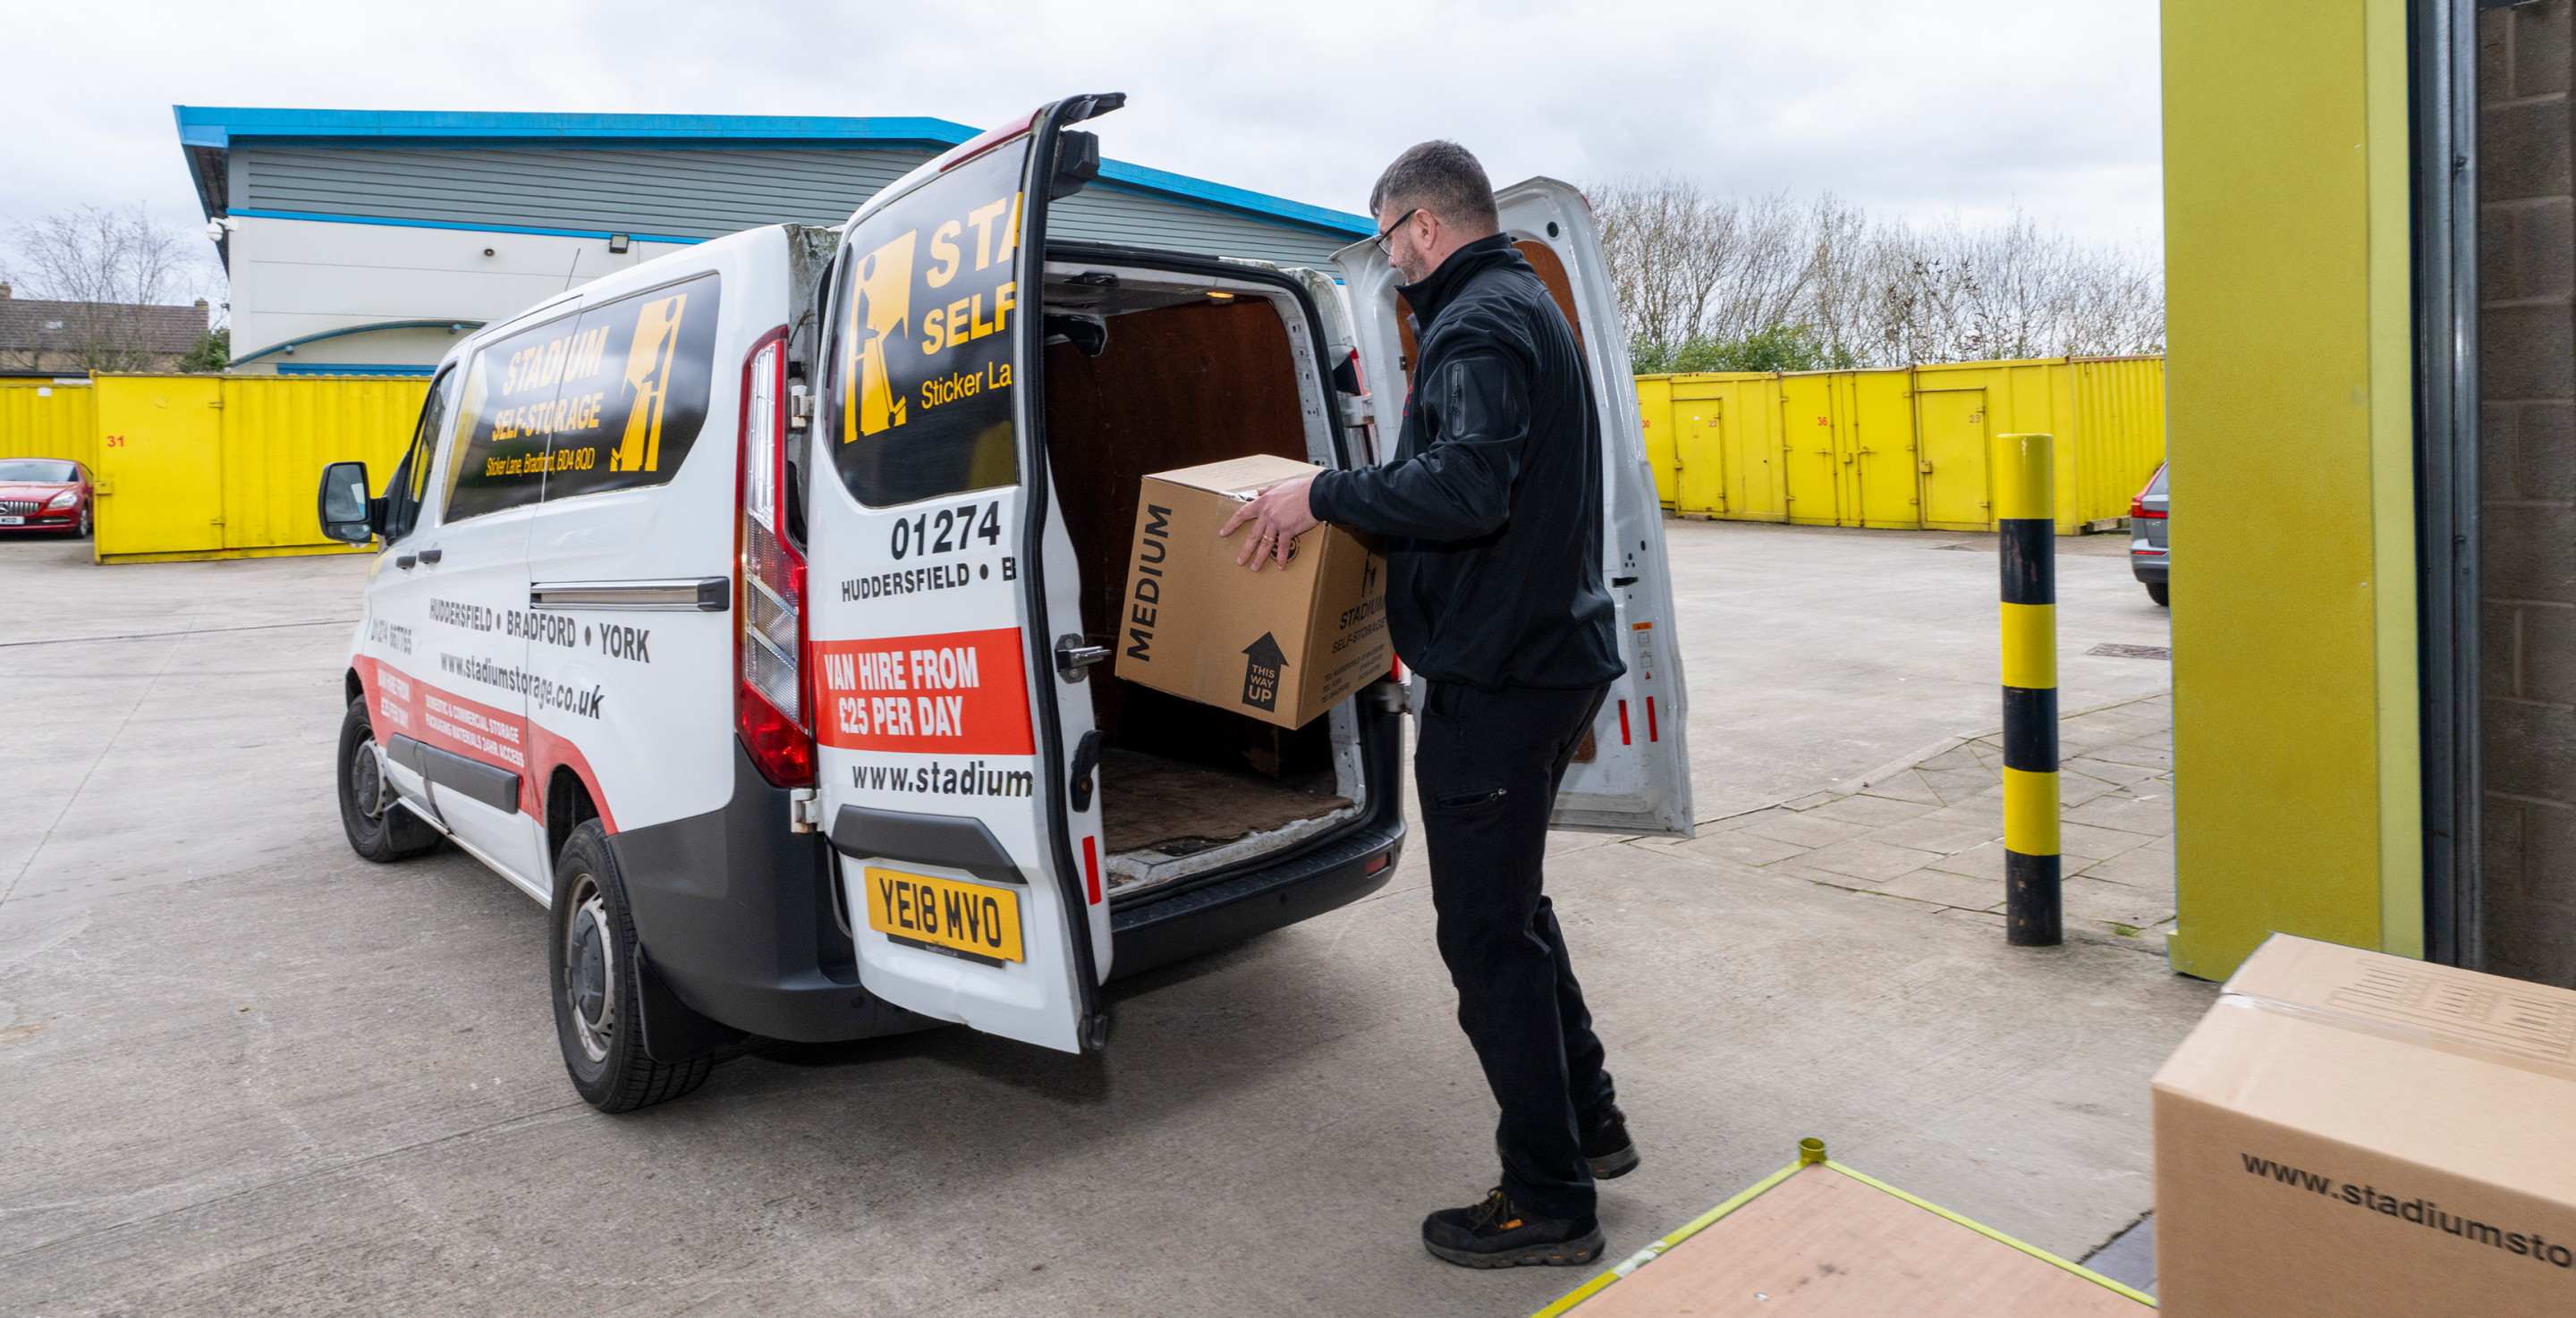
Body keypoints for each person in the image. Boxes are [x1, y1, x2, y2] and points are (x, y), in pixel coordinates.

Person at [1219, 140, 1636, 1270]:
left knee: (1485, 938)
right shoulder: (1524, 301)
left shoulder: (1477, 322)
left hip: (1500, 678)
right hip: (1547, 658)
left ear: (1422, 226)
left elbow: (1467, 485)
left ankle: (1549, 1198)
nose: (1392, 259)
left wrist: (1320, 494)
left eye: (1389, 237)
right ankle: (1590, 1121)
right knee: (1516, 908)